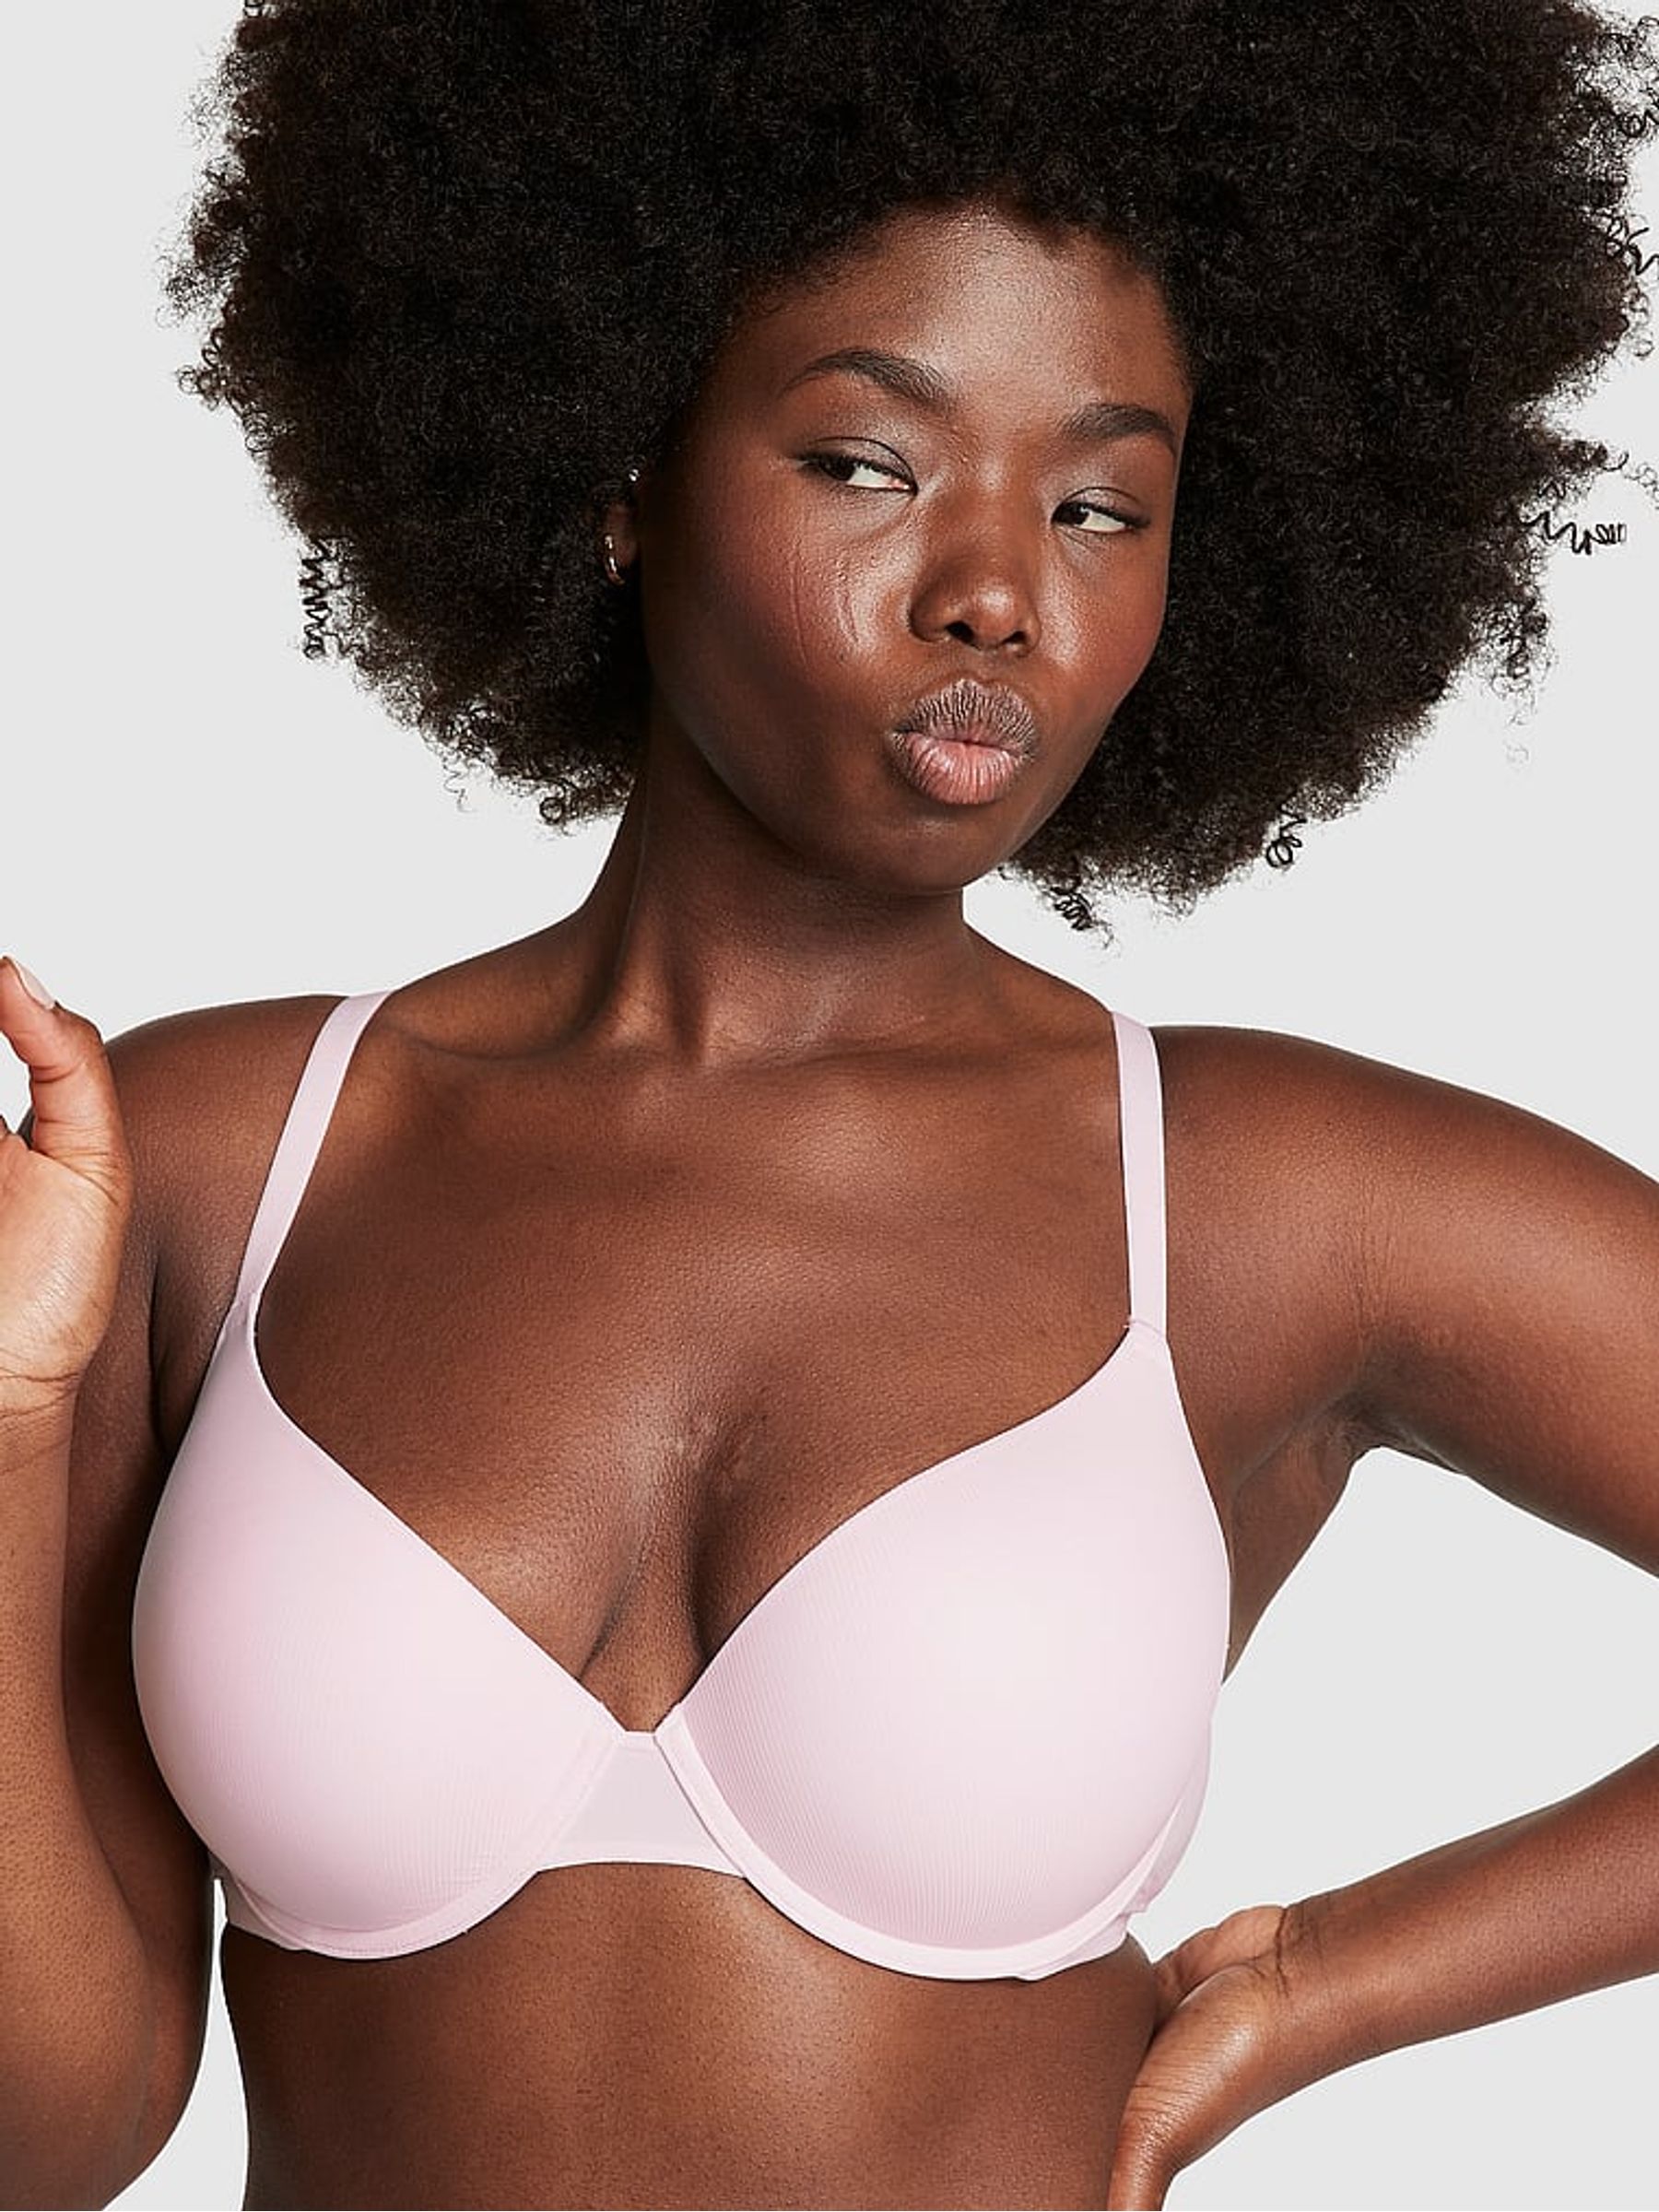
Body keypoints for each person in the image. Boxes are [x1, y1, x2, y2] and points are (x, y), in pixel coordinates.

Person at [2, 2, 1656, 2206]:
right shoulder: (217, 1159)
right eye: (871, 464)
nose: (997, 592)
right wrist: (8, 1430)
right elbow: (53, 2135)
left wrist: (1336, 1982)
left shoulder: (1265, 1198)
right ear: (622, 469)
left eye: (1101, 505)